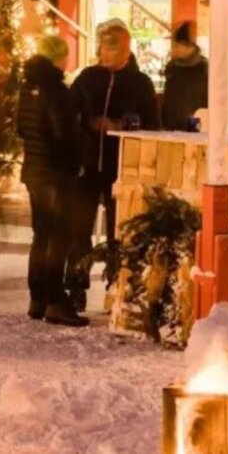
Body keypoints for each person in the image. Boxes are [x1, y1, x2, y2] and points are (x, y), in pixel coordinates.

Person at [67, 23, 160, 311]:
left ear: (126, 50)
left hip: (121, 167)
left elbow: (153, 125)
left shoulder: (140, 83)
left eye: (114, 49)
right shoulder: (86, 78)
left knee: (118, 230)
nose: (108, 55)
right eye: (105, 48)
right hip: (86, 165)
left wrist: (125, 127)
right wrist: (88, 123)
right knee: (79, 229)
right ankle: (76, 285)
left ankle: (117, 286)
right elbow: (69, 115)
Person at [17, 36, 88, 327]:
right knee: (60, 236)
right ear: (58, 58)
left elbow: (22, 128)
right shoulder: (55, 89)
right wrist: (75, 163)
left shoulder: (29, 86)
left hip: (33, 169)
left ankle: (38, 297)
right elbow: (63, 134)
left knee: (41, 234)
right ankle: (56, 301)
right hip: (55, 173)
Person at [162, 22, 208, 132]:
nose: (173, 48)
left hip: (196, 129)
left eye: (176, 45)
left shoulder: (204, 69)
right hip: (170, 129)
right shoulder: (172, 68)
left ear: (188, 46)